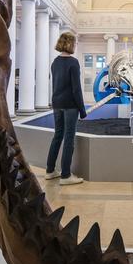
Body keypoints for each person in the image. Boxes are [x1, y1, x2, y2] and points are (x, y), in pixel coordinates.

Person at [45, 32, 86, 185]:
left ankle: (50, 171)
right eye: (75, 43)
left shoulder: (55, 62)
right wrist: (82, 109)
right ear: (70, 44)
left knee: (58, 136)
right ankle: (66, 175)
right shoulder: (73, 63)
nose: (75, 46)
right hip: (70, 106)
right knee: (69, 138)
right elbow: (76, 89)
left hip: (57, 104)